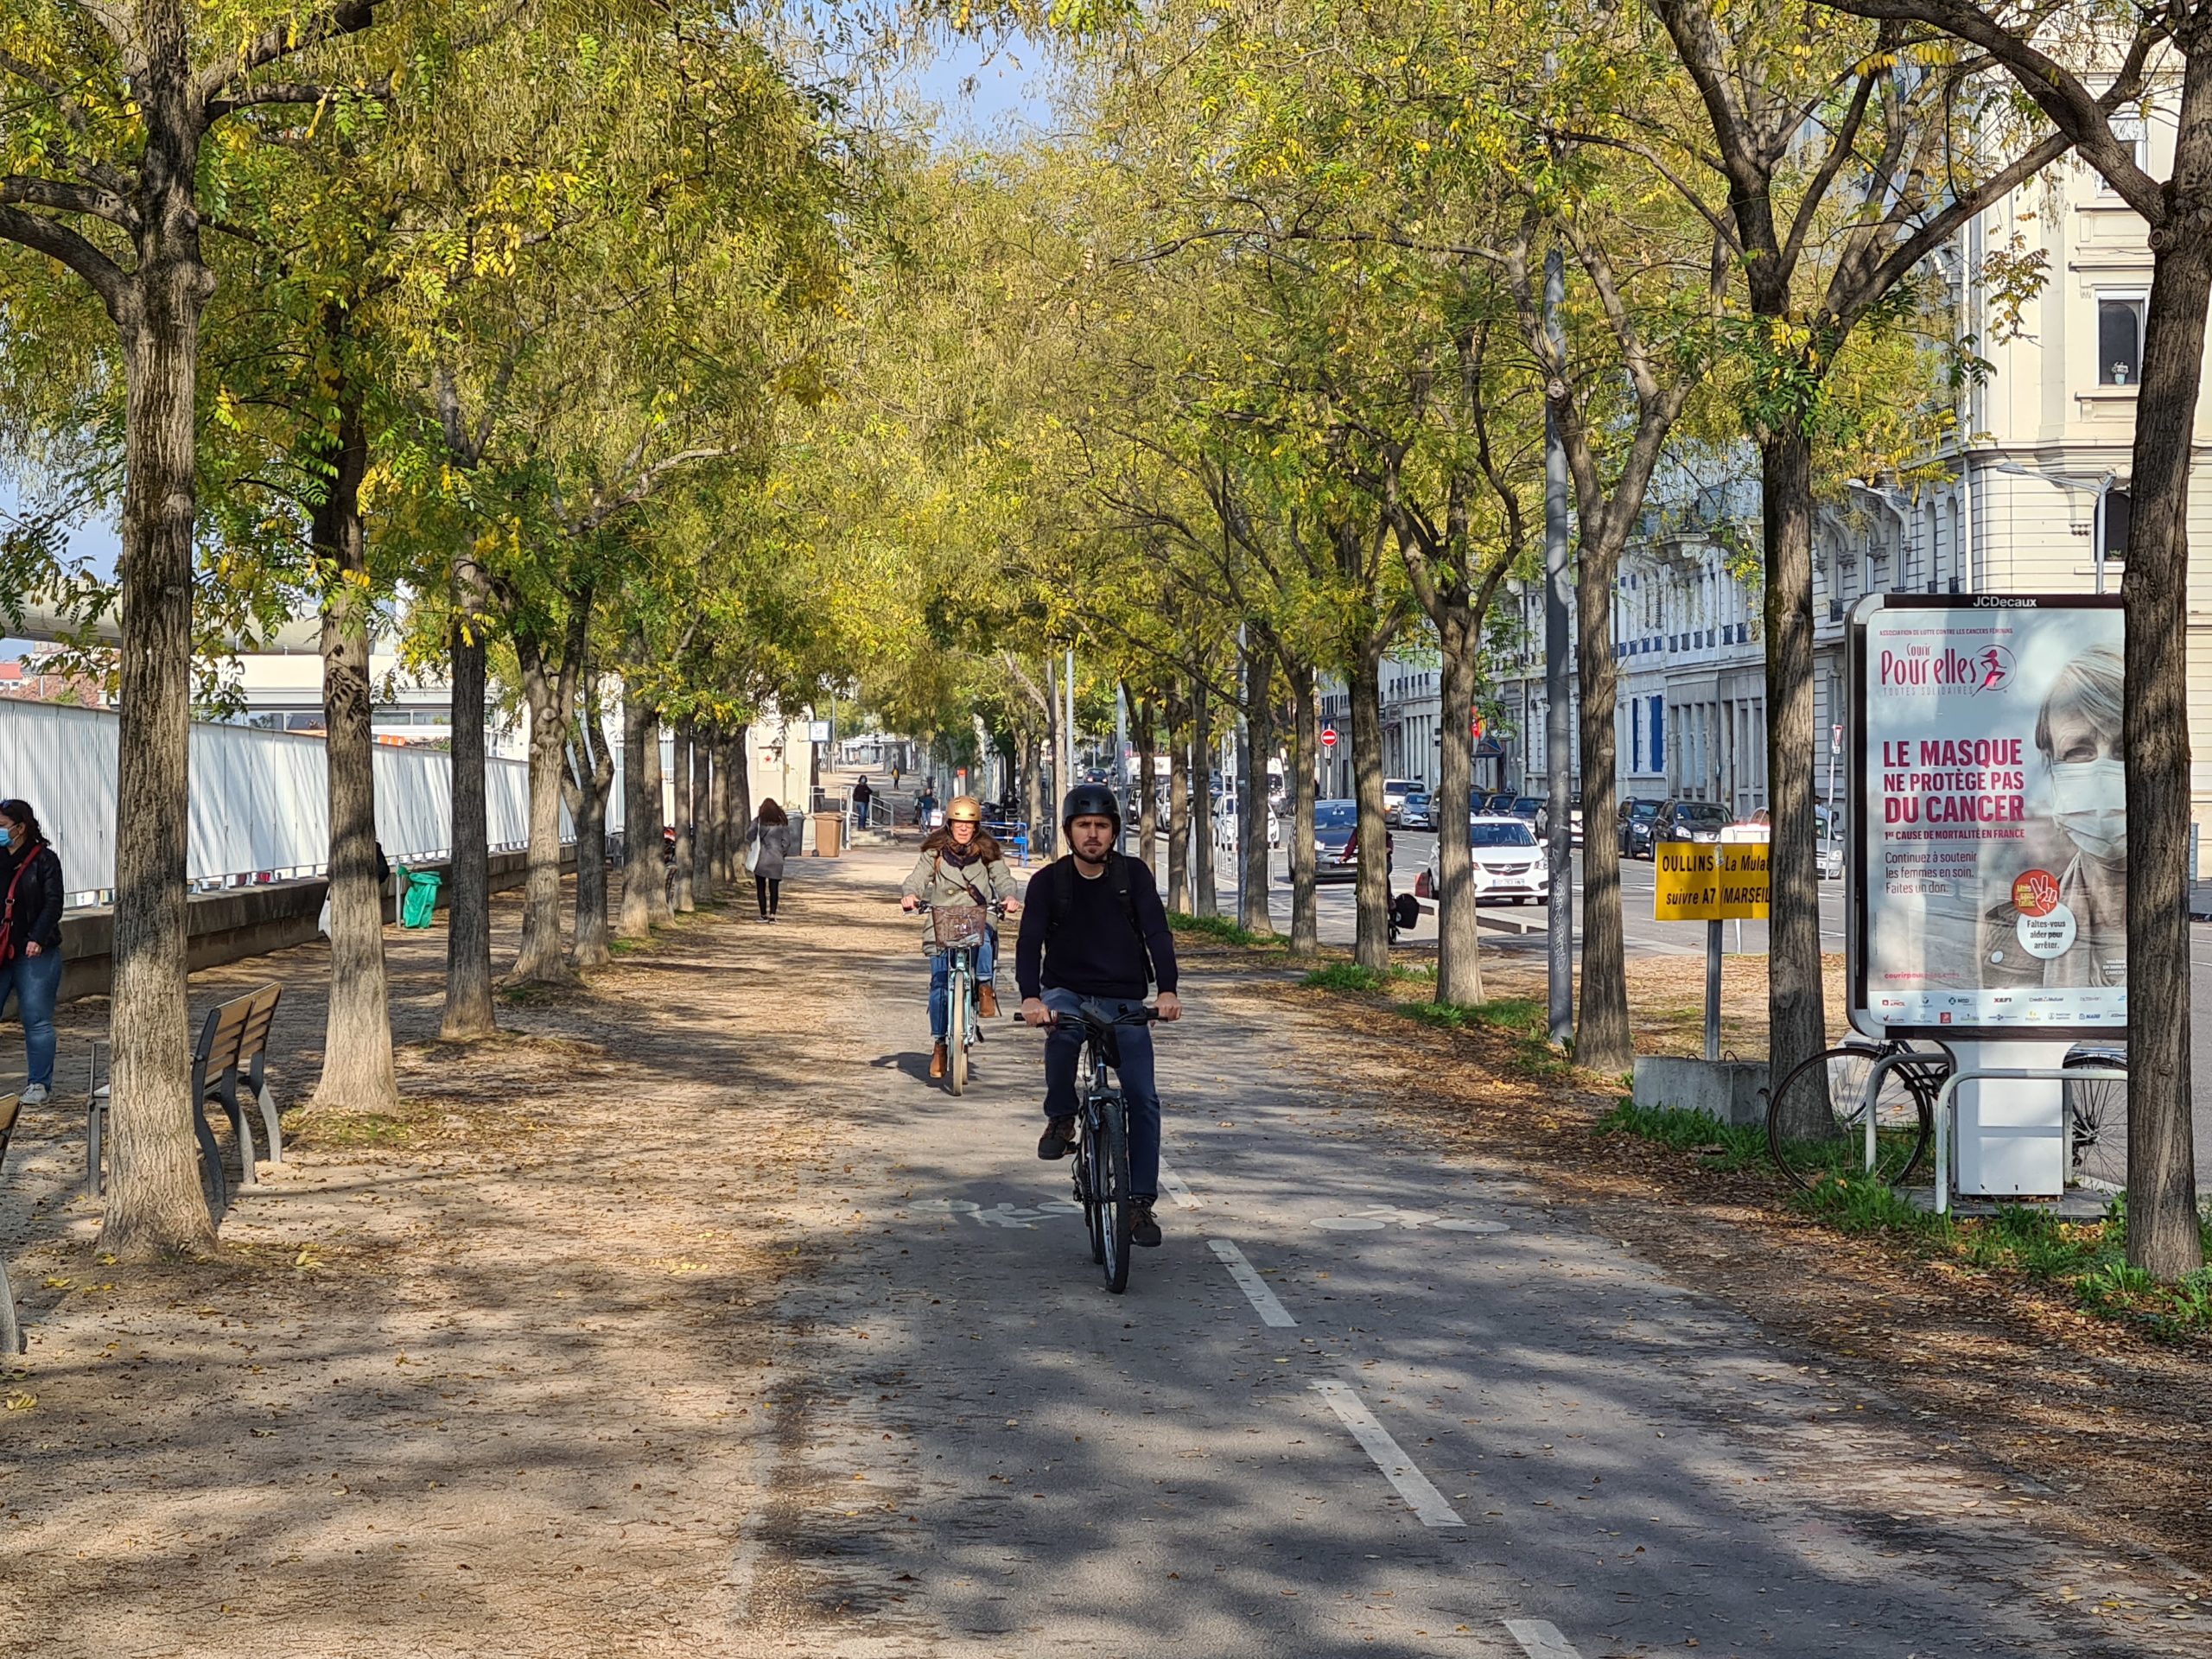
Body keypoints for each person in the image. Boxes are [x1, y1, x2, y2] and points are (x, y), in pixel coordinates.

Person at [1016, 784, 1182, 1249]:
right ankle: (1062, 1118)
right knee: (1063, 1036)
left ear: (1114, 832)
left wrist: (1167, 990)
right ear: (1070, 831)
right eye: (1084, 826)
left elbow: (1157, 932)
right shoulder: (1050, 882)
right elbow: (1029, 942)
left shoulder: (1134, 876)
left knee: (1143, 1098)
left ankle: (1138, 1204)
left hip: (1125, 997)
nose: (1093, 835)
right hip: (1067, 991)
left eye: (1102, 826)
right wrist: (1032, 998)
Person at [1984, 645, 2125, 988]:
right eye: (2079, 751)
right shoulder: (2010, 933)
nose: (2102, 773)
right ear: (2051, 771)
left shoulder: (2174, 922)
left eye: (2124, 749)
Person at [900, 797, 1024, 1078]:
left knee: (985, 934)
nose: (964, 829)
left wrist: (1009, 897)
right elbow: (917, 877)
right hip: (942, 918)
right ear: (950, 823)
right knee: (940, 984)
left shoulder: (987, 850)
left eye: (969, 824)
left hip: (978, 914)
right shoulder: (935, 850)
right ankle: (941, 1044)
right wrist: (911, 894)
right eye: (959, 823)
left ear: (976, 825)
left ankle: (984, 987)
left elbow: (1003, 878)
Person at [0, 800, 64, 1107]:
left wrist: (37, 938)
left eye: (2, 826)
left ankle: (39, 1083)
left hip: (35, 953)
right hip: (1, 952)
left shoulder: (45, 860)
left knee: (36, 1019)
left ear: (20, 827)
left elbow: (53, 904)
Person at [747, 798, 792, 922]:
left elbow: (749, 836)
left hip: (761, 859)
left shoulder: (759, 822)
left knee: (760, 888)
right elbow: (787, 843)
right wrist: (781, 853)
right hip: (776, 860)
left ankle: (763, 914)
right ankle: (772, 915)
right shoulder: (782, 824)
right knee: (774, 888)